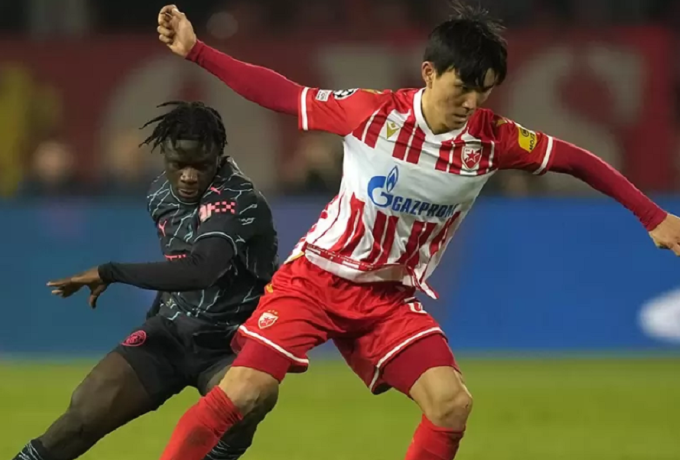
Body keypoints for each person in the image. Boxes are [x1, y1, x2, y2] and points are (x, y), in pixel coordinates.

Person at [155, 4, 680, 460]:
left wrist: (652, 216)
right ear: (430, 72)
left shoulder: (492, 140)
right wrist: (198, 51)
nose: (472, 102)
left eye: (484, 90)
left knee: (451, 403)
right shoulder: (371, 113)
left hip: (387, 300)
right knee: (245, 390)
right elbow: (281, 94)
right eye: (462, 87)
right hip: (316, 280)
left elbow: (576, 160)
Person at [12, 101, 279, 460]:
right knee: (81, 417)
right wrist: (154, 319)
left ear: (218, 157)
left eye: (200, 165)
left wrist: (110, 271)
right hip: (171, 332)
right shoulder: (160, 194)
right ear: (164, 156)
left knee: (246, 402)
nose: (188, 175)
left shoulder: (237, 199)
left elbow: (201, 271)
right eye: (179, 164)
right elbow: (176, 262)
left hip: (233, 343)